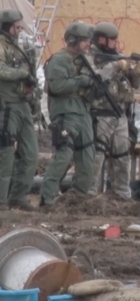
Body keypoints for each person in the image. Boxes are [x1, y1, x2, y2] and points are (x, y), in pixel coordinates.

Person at [87, 22, 140, 199]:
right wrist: (116, 66)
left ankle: (121, 194)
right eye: (112, 40)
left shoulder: (118, 57)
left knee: (122, 154)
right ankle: (88, 195)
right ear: (102, 39)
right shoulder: (90, 56)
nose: (116, 43)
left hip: (120, 113)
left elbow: (134, 84)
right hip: (100, 113)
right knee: (97, 154)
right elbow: (94, 78)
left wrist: (137, 73)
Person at [40, 22, 96, 208]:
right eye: (85, 40)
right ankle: (47, 198)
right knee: (63, 156)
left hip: (83, 113)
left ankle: (77, 199)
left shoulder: (86, 60)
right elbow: (57, 86)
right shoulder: (58, 60)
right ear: (73, 40)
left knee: (88, 158)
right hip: (65, 114)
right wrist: (82, 81)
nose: (89, 44)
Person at [0, 9, 39, 212]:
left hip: (22, 103)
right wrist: (22, 74)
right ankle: (1, 199)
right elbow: (1, 70)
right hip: (6, 105)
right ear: (7, 27)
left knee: (31, 152)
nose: (19, 30)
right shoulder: (1, 46)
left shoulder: (17, 47)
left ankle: (19, 195)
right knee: (5, 152)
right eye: (16, 27)